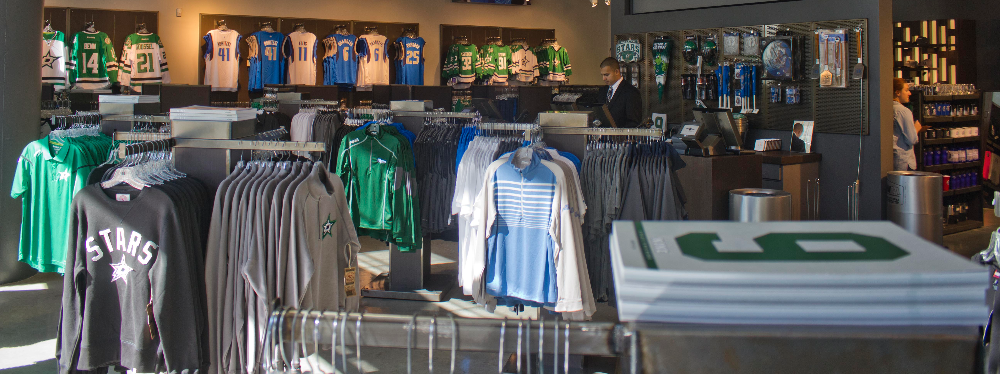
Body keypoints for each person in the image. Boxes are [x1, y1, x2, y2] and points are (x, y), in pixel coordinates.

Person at [599, 57, 643, 128]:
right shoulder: (602, 91)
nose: (604, 78)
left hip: (622, 137)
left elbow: (634, 122)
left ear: (616, 72)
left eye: (606, 75)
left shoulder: (631, 92)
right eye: (602, 75)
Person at [892, 78, 923, 171]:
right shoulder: (903, 111)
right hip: (905, 161)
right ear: (897, 92)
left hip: (893, 159)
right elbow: (912, 139)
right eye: (906, 90)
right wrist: (916, 129)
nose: (909, 93)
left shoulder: (885, 108)